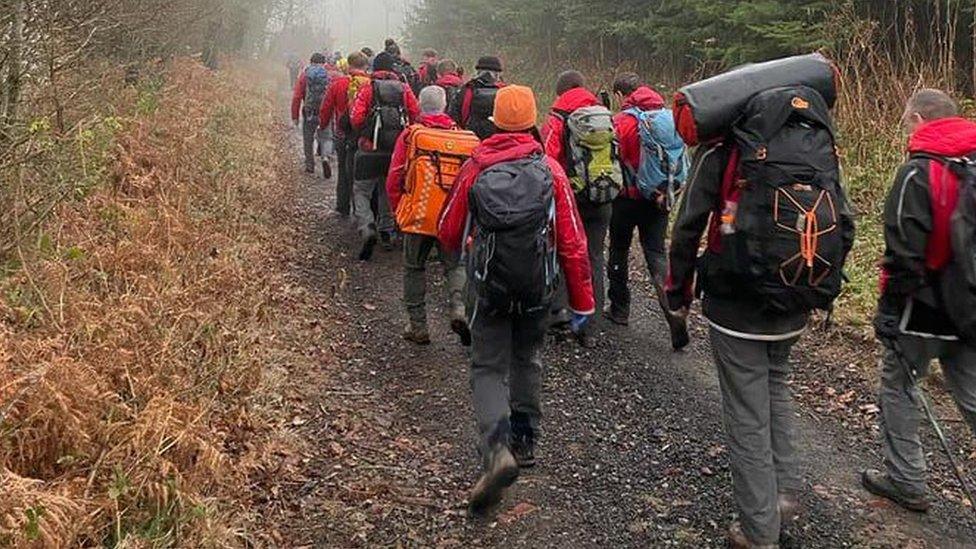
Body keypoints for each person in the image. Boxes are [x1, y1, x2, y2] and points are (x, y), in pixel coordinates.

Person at [666, 85, 854, 547]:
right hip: (795, 295)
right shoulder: (816, 147)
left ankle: (757, 530)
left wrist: (678, 292)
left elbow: (688, 226)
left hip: (736, 302)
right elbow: (842, 222)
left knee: (745, 413)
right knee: (775, 386)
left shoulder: (721, 151)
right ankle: (784, 495)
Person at [438, 85, 595, 514]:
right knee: (527, 358)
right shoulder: (551, 170)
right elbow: (574, 244)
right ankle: (525, 443)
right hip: (536, 289)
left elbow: (449, 230)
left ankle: (496, 450)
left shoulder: (476, 166)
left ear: (494, 123)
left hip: (488, 287)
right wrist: (582, 303)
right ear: (531, 121)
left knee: (488, 366)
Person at [863, 88, 976, 513]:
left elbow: (904, 253)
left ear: (918, 119)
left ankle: (906, 480)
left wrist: (888, 311)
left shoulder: (917, 171)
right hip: (971, 303)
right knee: (971, 393)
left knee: (898, 385)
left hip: (922, 307)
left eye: (906, 120)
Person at [386, 86, 474, 345]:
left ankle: (418, 326)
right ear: (445, 106)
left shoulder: (411, 134)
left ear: (420, 105)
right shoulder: (465, 138)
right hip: (454, 216)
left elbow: (395, 178)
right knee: (455, 266)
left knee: (414, 268)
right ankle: (459, 309)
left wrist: (399, 211)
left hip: (419, 214)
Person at [541, 70, 612, 348]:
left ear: (562, 92)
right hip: (603, 195)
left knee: (561, 251)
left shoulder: (558, 117)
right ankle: (590, 324)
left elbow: (546, 160)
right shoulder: (605, 116)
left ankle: (560, 316)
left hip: (570, 198)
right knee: (594, 255)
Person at [606, 73, 677, 331]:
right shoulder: (668, 117)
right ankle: (674, 310)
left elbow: (613, 159)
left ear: (619, 95)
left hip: (626, 199)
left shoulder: (622, 121)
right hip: (658, 198)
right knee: (656, 252)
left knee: (619, 250)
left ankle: (619, 309)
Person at [350, 51, 420, 260]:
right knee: (386, 188)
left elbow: (356, 117)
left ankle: (366, 225)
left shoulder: (368, 87)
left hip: (370, 147)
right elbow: (416, 114)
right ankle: (387, 232)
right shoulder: (404, 88)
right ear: (393, 69)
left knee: (362, 189)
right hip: (395, 150)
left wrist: (364, 135)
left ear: (375, 68)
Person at [320, 51, 371, 218]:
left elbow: (326, 107)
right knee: (364, 173)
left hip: (343, 133)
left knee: (343, 169)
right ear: (366, 66)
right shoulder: (371, 84)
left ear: (349, 65)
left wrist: (323, 124)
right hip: (365, 136)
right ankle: (362, 210)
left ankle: (343, 206)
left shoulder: (338, 83)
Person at [291, 52, 331, 175]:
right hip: (324, 111)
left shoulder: (304, 75)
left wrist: (295, 116)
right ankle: (325, 157)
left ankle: (310, 165)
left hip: (309, 111)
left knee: (308, 138)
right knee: (326, 136)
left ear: (311, 61)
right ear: (324, 63)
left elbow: (297, 96)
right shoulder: (327, 76)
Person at [450, 56, 505, 139]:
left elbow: (454, 117)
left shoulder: (465, 90)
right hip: (499, 140)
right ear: (497, 74)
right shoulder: (505, 92)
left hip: (470, 139)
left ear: (478, 72)